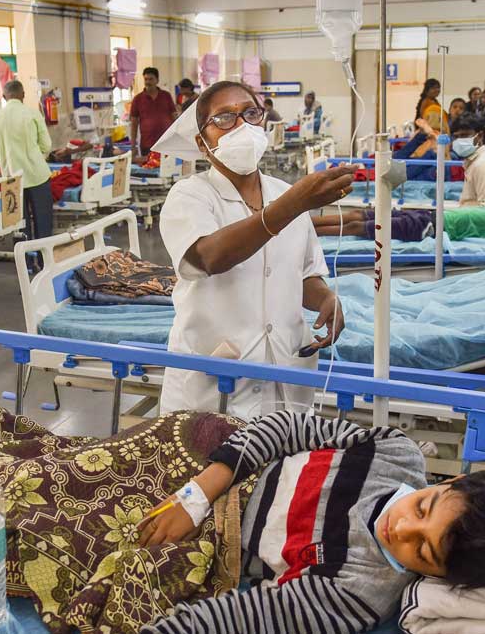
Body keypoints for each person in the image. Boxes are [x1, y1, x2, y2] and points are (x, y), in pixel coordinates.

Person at [135, 410, 485, 632]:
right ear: (454, 480)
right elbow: (287, 426)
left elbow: (237, 620)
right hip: (219, 463)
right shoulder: (394, 453)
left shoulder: (358, 592)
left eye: (423, 551)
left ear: (441, 578)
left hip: (212, 537)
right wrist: (196, 494)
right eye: (423, 508)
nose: (400, 529)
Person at [152, 81, 355, 420]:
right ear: (202, 143)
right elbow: (208, 257)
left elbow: (304, 274)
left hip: (285, 372)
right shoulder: (190, 196)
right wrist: (292, 205)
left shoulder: (284, 192)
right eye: (224, 118)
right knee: (212, 449)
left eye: (250, 113)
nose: (241, 126)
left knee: (282, 450)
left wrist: (325, 299)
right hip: (216, 381)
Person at [0, 79, 54, 270]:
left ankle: (25, 265)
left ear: (4, 96)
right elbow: (46, 146)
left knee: (19, 225)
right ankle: (45, 263)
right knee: (43, 222)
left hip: (11, 180)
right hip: (37, 176)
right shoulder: (33, 114)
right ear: (23, 94)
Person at [129, 67, 178, 156]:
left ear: (157, 80)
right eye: (146, 79)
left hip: (166, 143)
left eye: (151, 79)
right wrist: (133, 145)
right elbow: (134, 124)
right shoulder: (137, 99)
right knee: (149, 164)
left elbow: (174, 117)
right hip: (147, 144)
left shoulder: (166, 96)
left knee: (168, 165)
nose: (148, 82)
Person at [311, 207, 435, 242]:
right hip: (426, 214)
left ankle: (309, 231)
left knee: (355, 226)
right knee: (357, 214)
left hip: (425, 228)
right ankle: (306, 221)